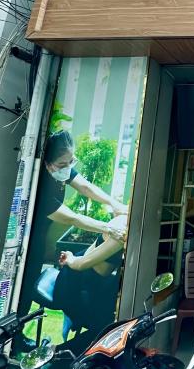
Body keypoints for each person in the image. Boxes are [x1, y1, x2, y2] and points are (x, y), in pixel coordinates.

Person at [15, 130, 128, 349]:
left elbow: (86, 187)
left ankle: (19, 339)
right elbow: (72, 218)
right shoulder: (41, 186)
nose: (67, 168)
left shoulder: (62, 169)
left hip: (68, 263)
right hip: (29, 240)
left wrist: (114, 204)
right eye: (62, 164)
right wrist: (107, 228)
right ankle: (15, 340)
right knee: (24, 288)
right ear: (48, 164)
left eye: (71, 161)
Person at [53, 215, 126, 350]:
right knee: (108, 326)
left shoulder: (124, 220)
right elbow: (81, 264)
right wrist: (70, 258)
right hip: (76, 285)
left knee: (112, 324)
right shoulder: (121, 230)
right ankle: (58, 352)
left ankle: (61, 351)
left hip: (89, 281)